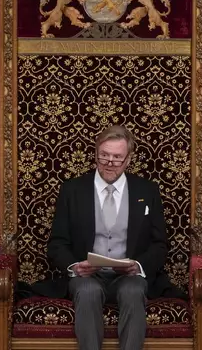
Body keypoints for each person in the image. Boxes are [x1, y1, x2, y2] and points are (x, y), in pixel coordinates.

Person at [46, 125, 169, 350]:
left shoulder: (147, 191)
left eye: (116, 158)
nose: (109, 163)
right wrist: (75, 266)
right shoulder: (72, 190)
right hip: (88, 277)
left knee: (133, 290)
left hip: (128, 276)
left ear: (128, 159)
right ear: (96, 154)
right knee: (87, 291)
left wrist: (139, 266)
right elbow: (57, 243)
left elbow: (160, 244)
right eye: (104, 156)